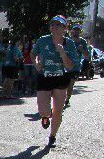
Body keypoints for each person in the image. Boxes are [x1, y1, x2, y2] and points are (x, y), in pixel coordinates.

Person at [32, 15, 79, 148]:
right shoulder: (43, 40)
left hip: (60, 78)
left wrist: (63, 53)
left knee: (58, 110)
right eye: (52, 24)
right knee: (43, 110)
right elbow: (33, 54)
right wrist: (36, 64)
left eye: (58, 24)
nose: (54, 26)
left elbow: (70, 66)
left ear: (65, 28)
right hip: (44, 77)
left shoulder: (69, 43)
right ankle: (45, 116)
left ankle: (52, 136)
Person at [66, 24, 90, 108]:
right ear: (72, 30)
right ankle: (61, 99)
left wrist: (82, 50)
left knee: (70, 84)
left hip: (75, 66)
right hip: (65, 66)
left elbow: (87, 56)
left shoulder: (83, 42)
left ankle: (67, 100)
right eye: (74, 30)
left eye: (78, 30)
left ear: (80, 31)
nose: (76, 31)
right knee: (62, 85)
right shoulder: (67, 40)